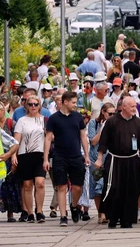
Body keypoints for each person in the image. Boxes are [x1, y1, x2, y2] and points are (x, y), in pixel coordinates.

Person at [95, 96, 140, 229]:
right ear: (123, 107)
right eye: (132, 106)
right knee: (113, 188)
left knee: (131, 189)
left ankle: (127, 219)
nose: (135, 109)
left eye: (135, 106)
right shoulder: (112, 122)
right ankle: (112, 218)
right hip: (114, 160)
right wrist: (100, 158)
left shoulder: (139, 123)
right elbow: (103, 142)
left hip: (132, 160)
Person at [43, 91, 89, 227]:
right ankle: (63, 215)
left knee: (77, 187)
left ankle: (74, 206)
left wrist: (86, 155)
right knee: (61, 186)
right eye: (73, 102)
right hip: (59, 156)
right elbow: (47, 139)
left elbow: (83, 137)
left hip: (76, 156)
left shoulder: (78, 117)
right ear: (65, 102)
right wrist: (45, 159)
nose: (75, 105)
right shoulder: (54, 118)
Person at [14, 95, 47, 223]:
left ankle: (39, 211)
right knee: (27, 185)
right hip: (24, 154)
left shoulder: (45, 120)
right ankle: (30, 212)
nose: (33, 106)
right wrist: (13, 155)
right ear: (26, 106)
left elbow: (51, 138)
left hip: (40, 154)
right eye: (30, 104)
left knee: (40, 183)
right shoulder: (22, 120)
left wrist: (47, 133)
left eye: (36, 104)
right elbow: (16, 140)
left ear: (39, 106)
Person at [88, 102, 114, 224]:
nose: (112, 116)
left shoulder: (115, 124)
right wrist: (102, 129)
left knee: (107, 186)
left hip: (110, 157)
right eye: (110, 113)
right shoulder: (94, 123)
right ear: (103, 113)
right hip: (95, 158)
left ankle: (108, 211)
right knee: (96, 187)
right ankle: (101, 213)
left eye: (114, 113)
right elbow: (93, 141)